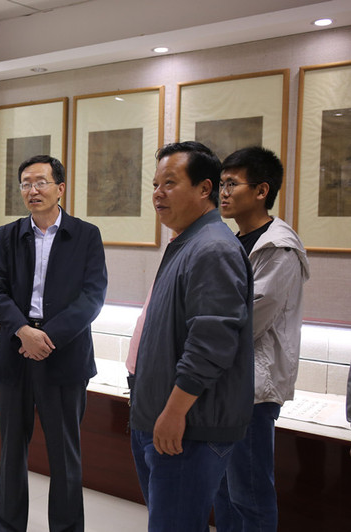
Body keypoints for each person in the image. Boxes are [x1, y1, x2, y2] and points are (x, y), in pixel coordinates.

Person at [129, 141, 254, 531]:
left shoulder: (212, 248)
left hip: (187, 426)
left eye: (170, 183)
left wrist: (173, 413)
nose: (158, 193)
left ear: (205, 188)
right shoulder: (187, 242)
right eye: (155, 184)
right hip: (161, 417)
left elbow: (211, 344)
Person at [0, 154, 107, 532]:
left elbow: (93, 296)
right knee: (11, 451)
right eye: (25, 183)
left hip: (64, 355)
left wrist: (46, 338)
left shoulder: (85, 235)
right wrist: (24, 331)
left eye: (40, 182)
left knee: (65, 454)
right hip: (16, 351)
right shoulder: (9, 234)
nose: (32, 190)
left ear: (60, 188)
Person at [213, 146, 310, 531]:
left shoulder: (278, 247)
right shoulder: (235, 239)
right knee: (222, 490)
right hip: (224, 379)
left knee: (249, 493)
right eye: (221, 184)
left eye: (231, 184)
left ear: (261, 190)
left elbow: (249, 321)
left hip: (254, 386)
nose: (222, 193)